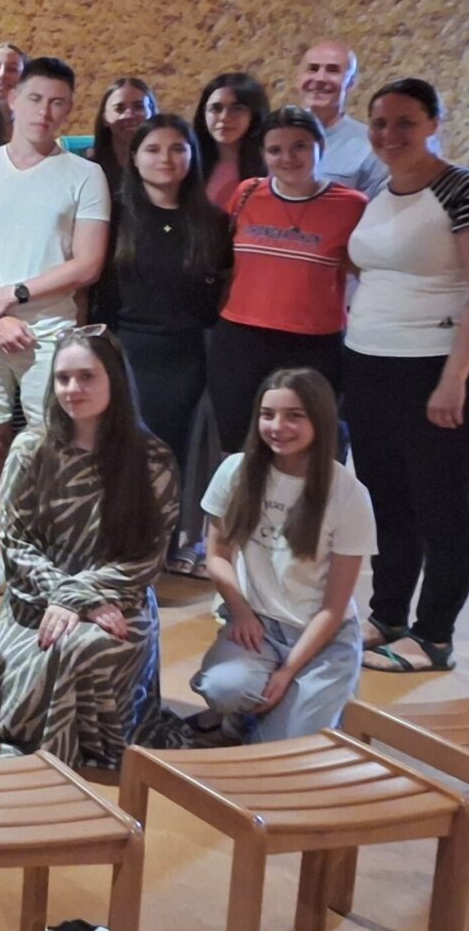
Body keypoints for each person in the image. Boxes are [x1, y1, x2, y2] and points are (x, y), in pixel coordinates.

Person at [345, 79, 469, 675]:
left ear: (435, 124)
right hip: (370, 361)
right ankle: (388, 614)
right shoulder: (379, 193)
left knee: (439, 501)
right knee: (385, 498)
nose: (389, 134)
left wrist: (454, 377)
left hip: (437, 366)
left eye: (406, 122)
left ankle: (435, 635)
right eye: (379, 122)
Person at [0, 330, 177, 767]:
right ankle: (39, 746)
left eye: (87, 376)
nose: (72, 388)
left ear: (115, 380)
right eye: (63, 378)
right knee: (53, 643)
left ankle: (72, 752)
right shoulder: (31, 448)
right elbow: (14, 543)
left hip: (120, 597)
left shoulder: (153, 459)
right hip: (35, 596)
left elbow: (148, 557)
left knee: (84, 645)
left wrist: (82, 597)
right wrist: (68, 597)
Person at [0, 57, 111, 603]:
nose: (46, 111)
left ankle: (49, 556)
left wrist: (15, 296)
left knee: (54, 447)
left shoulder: (84, 175)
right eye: (36, 99)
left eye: (58, 103)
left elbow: (87, 263)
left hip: (50, 329)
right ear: (14, 101)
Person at [194, 368, 376, 743]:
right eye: (268, 415)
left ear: (320, 420)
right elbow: (217, 555)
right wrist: (241, 612)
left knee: (286, 746)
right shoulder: (235, 471)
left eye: (294, 416)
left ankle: (328, 693)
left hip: (322, 637)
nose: (278, 427)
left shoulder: (348, 493)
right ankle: (252, 713)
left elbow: (334, 607)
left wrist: (287, 672)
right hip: (258, 626)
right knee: (224, 688)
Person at [93, 114, 228, 570]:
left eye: (177, 148)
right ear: (134, 157)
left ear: (193, 155)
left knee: (173, 455)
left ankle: (164, 547)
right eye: (153, 149)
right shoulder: (114, 216)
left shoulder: (212, 222)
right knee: (121, 453)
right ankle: (117, 546)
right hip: (126, 351)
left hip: (186, 356)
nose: (165, 159)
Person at [206, 108, 369, 450]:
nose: (288, 158)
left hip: (314, 344)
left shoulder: (352, 205)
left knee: (309, 448)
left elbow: (365, 271)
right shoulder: (247, 193)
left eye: (300, 146)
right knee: (240, 447)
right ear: (263, 154)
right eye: (275, 150)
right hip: (240, 341)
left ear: (321, 146)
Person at [292, 40, 385, 196]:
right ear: (298, 78)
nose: (320, 78)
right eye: (313, 69)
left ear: (351, 83)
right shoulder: (272, 139)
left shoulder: (370, 146)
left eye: (333, 70)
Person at [194, 71, 270, 209]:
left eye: (237, 109)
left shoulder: (272, 166)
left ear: (254, 115)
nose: (224, 117)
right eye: (216, 108)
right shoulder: (190, 165)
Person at [85, 78, 156, 187]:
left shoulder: (166, 167)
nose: (129, 115)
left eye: (139, 107)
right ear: (104, 118)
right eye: (119, 109)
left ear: (152, 113)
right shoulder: (88, 172)